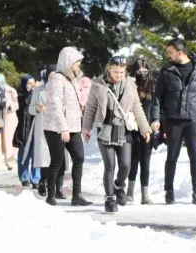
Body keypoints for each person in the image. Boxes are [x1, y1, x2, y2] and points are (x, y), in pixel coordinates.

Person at [150, 38, 196, 205]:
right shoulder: (166, 71)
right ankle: (169, 192)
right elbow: (157, 98)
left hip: (194, 120)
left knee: (195, 155)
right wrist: (155, 118)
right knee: (171, 156)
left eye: (170, 52)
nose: (168, 55)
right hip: (173, 121)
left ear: (180, 52)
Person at [83, 56, 152, 213]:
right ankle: (109, 199)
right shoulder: (98, 84)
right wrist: (86, 128)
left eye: (122, 72)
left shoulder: (130, 84)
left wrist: (145, 128)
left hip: (124, 129)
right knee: (110, 165)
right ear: (109, 69)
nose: (119, 75)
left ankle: (119, 186)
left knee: (126, 165)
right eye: (116, 72)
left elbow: (137, 107)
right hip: (105, 129)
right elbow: (91, 107)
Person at [44, 47, 92, 206]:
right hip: (56, 127)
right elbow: (55, 105)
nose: (79, 65)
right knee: (57, 161)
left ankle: (77, 196)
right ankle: (51, 195)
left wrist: (83, 127)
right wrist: (63, 128)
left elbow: (75, 105)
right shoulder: (57, 79)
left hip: (74, 126)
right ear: (68, 61)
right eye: (76, 62)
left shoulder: (72, 79)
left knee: (79, 157)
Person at [29, 64, 65, 198]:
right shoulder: (39, 90)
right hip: (44, 126)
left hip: (60, 126)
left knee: (60, 157)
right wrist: (37, 109)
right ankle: (43, 181)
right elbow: (30, 109)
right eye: (51, 75)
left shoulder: (64, 89)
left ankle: (59, 187)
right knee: (45, 157)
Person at [127, 57, 157, 204]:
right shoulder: (130, 85)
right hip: (132, 128)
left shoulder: (152, 86)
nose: (142, 72)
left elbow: (156, 106)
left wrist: (156, 121)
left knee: (145, 161)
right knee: (133, 160)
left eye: (145, 69)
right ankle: (129, 192)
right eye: (139, 70)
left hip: (148, 129)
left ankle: (145, 195)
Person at [14, 74, 41, 188]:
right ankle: (24, 177)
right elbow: (26, 106)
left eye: (33, 83)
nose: (32, 85)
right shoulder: (21, 97)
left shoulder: (39, 95)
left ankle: (36, 179)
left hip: (37, 129)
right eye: (29, 83)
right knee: (24, 156)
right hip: (24, 130)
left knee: (36, 155)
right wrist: (32, 93)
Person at [0, 73, 19, 170]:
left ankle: (10, 162)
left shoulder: (11, 90)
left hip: (9, 117)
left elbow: (17, 105)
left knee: (8, 140)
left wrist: (9, 104)